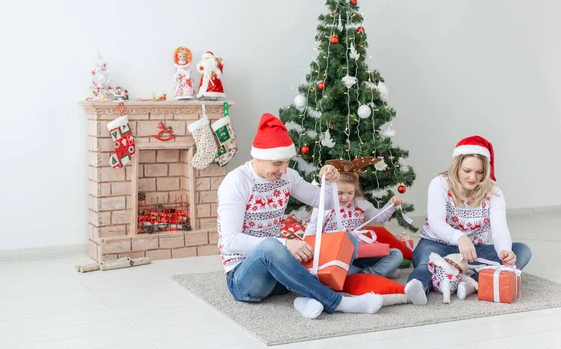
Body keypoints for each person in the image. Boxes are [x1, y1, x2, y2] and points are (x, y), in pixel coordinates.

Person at [217, 113, 384, 319]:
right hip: (244, 279)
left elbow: (329, 203)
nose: (283, 169)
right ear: (258, 157)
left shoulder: (288, 176)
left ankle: (306, 298)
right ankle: (338, 302)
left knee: (346, 239)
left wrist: (331, 180)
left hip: (279, 272)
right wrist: (286, 245)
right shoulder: (236, 182)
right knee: (271, 246)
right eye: (277, 163)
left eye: (287, 162)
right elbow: (230, 241)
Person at [405, 135, 532, 305]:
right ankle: (419, 287)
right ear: (457, 166)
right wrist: (460, 237)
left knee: (522, 251)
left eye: (479, 172)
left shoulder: (494, 193)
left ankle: (469, 284)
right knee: (425, 264)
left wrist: (504, 250)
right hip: (436, 244)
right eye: (467, 171)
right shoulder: (440, 184)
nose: (473, 177)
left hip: (474, 250)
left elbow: (499, 227)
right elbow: (436, 222)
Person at [304, 158, 404, 278]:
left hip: (360, 253)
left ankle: (364, 274)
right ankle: (374, 273)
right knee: (346, 244)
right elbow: (310, 235)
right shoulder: (323, 207)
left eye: (350, 193)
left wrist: (391, 205)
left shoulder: (360, 204)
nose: (345, 198)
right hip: (336, 256)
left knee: (396, 254)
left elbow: (379, 218)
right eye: (340, 193)